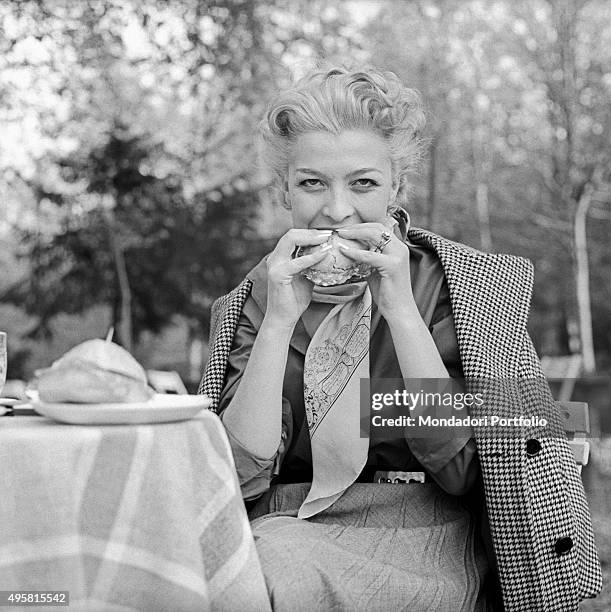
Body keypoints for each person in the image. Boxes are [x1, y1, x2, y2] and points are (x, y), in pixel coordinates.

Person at [199, 67, 601, 611]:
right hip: (282, 521)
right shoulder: (249, 302)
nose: (337, 210)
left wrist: (401, 311)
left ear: (397, 188)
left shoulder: (473, 289)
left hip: (429, 528)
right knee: (247, 570)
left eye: (362, 183)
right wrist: (276, 324)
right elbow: (237, 483)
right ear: (284, 191)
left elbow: (469, 472)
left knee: (269, 576)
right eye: (312, 182)